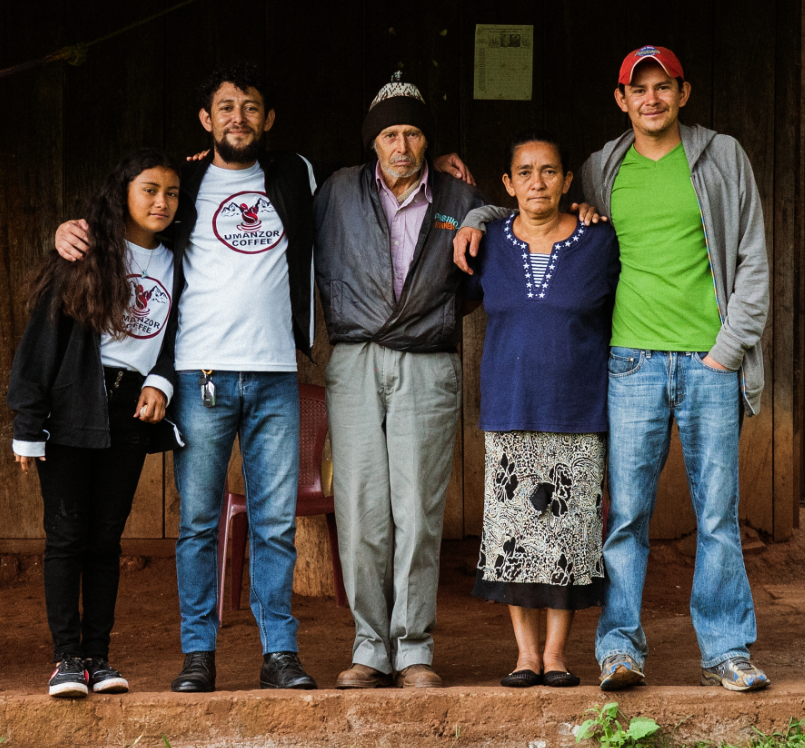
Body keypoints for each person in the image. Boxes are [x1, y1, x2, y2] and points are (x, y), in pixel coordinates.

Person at [54, 63, 474, 694]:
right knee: (198, 524)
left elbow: (383, 160)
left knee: (275, 525)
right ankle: (199, 653)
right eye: (226, 108)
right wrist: (73, 227)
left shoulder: (296, 175)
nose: (238, 119)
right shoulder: (185, 181)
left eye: (250, 108)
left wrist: (439, 159)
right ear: (206, 119)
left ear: (269, 119)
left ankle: (279, 650)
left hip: (276, 373)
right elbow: (134, 217)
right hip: (201, 379)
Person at [454, 46, 771, 693]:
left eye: (663, 87)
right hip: (628, 362)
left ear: (683, 92)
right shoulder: (603, 166)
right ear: (620, 99)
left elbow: (754, 256)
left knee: (717, 514)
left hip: (709, 360)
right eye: (638, 88)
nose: (651, 98)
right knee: (625, 515)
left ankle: (726, 649)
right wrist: (476, 214)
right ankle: (619, 649)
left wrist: (729, 348)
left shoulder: (721, 157)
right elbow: (534, 207)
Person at [314, 73, 495, 690]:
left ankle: (414, 647)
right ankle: (369, 647)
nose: (400, 145)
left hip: (426, 359)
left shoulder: (457, 195)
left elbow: (478, 281)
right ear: (373, 142)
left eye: (412, 133)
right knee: (362, 508)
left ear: (427, 141)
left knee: (418, 509)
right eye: (389, 134)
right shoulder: (335, 190)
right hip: (357, 357)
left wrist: (431, 314)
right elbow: (278, 199)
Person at [9, 148, 181, 698]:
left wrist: (162, 380)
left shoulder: (181, 260)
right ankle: (66, 660)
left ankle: (99, 659)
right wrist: (28, 425)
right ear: (122, 195)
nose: (161, 202)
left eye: (172, 192)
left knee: (106, 541)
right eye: (149, 190)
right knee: (66, 537)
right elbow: (42, 342)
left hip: (131, 408)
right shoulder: (84, 253)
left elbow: (184, 335)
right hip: (72, 405)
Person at [465, 131, 619, 688]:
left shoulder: (598, 242)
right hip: (509, 405)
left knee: (569, 538)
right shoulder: (489, 242)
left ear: (567, 180)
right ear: (508, 184)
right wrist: (470, 220)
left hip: (576, 409)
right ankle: (524, 654)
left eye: (549, 171)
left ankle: (556, 653)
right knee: (514, 536)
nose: (537, 182)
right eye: (525, 172)